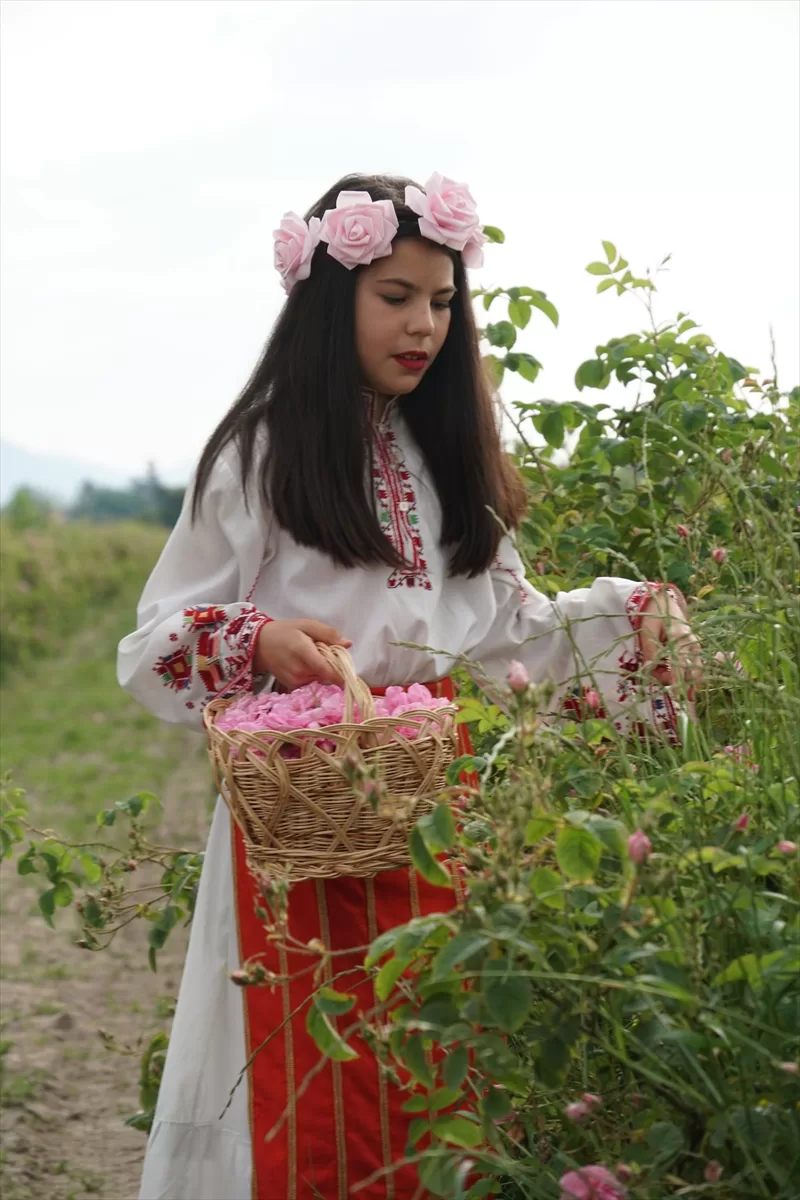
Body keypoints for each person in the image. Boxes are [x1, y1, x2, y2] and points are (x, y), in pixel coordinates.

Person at [118, 172, 699, 1200]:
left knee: (427, 1064)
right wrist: (261, 640)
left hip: (428, 813)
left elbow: (507, 633)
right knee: (307, 1072)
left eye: (440, 300)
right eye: (394, 296)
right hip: (298, 822)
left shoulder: (447, 457)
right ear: (326, 301)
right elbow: (152, 643)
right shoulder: (260, 453)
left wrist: (627, 618)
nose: (423, 324)